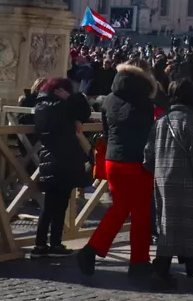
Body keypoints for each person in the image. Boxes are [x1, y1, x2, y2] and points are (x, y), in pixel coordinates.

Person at [78, 61, 158, 279]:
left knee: (120, 208)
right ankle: (139, 261)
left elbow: (106, 128)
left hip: (113, 160)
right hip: (137, 161)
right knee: (141, 211)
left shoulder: (109, 99)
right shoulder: (145, 101)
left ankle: (91, 249)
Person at [145, 79, 193, 289]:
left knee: (167, 222)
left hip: (161, 179)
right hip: (185, 179)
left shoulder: (161, 120)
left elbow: (148, 154)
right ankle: (163, 268)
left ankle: (191, 261)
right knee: (189, 221)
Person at [30, 77, 91, 258]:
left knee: (51, 205)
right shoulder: (59, 106)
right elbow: (85, 111)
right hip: (63, 159)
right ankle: (51, 244)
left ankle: (42, 245)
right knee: (57, 206)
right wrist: (73, 99)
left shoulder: (41, 106)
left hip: (49, 158)